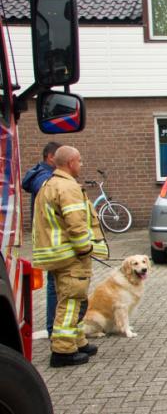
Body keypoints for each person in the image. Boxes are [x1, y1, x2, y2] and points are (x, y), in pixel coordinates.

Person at [33, 146, 108, 367]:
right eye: (80, 161)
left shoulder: (49, 184)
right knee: (71, 302)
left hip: (58, 254)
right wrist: (85, 249)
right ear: (71, 162)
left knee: (75, 300)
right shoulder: (68, 187)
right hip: (71, 256)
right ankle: (63, 351)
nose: (81, 165)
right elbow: (76, 223)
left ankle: (78, 341)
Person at [22, 141, 62, 336]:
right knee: (55, 283)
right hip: (51, 237)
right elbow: (49, 192)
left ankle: (54, 326)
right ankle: (53, 327)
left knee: (55, 282)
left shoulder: (44, 174)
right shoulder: (44, 176)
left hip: (49, 236)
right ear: (51, 157)